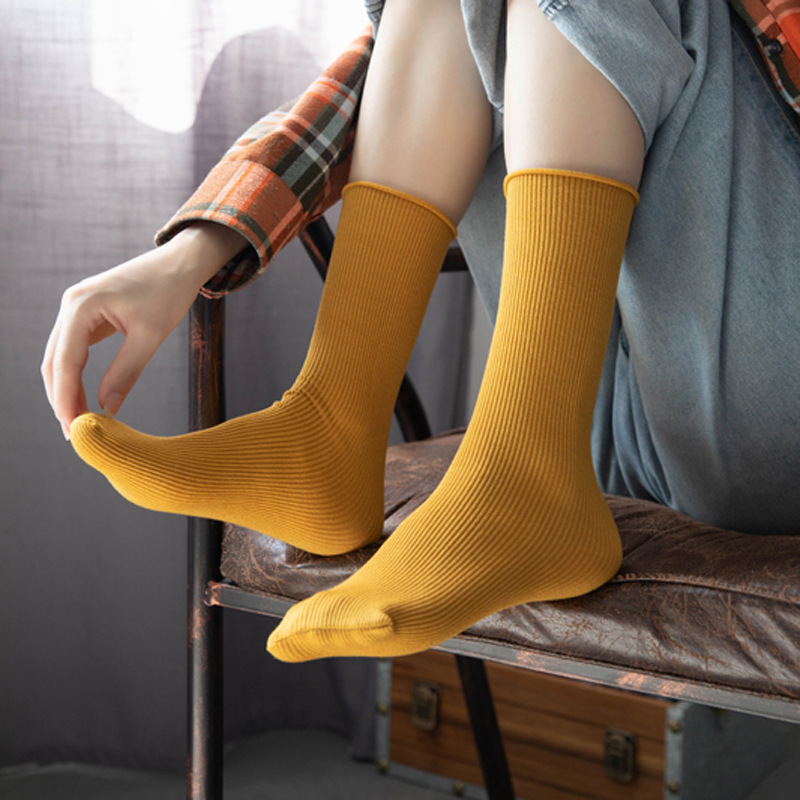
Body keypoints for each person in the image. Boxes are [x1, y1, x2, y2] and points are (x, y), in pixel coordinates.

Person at [41, 0, 800, 662]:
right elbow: (406, 59)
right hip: (604, 425)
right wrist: (198, 246)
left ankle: (521, 474)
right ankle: (332, 428)